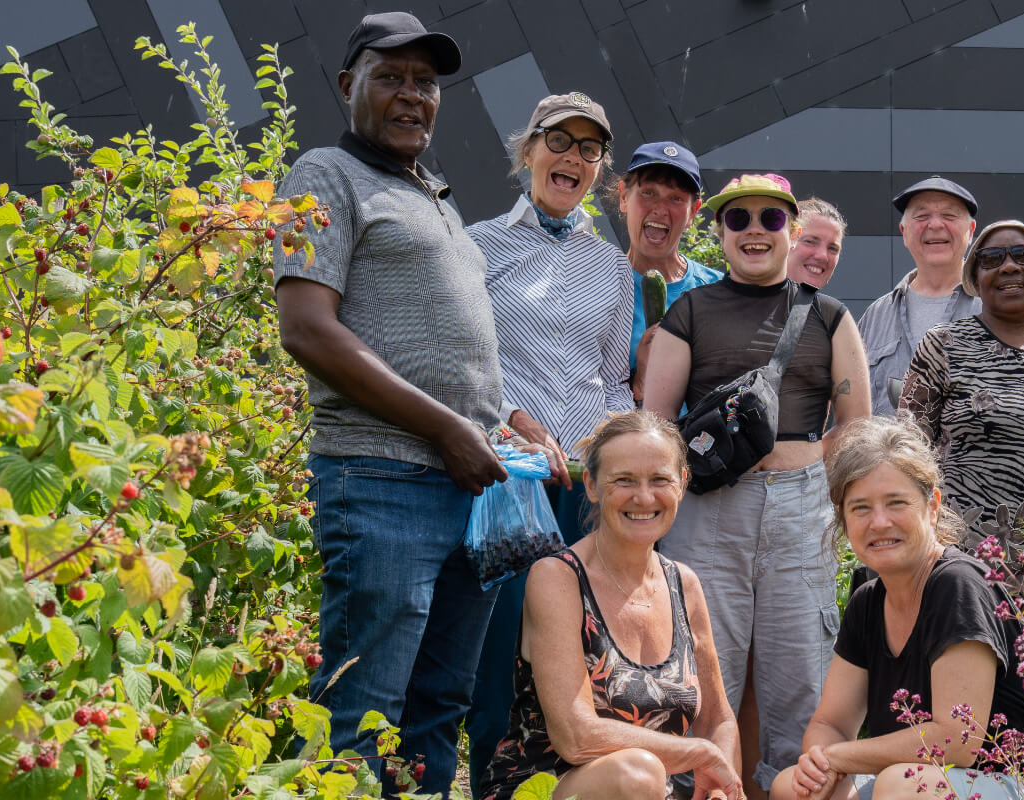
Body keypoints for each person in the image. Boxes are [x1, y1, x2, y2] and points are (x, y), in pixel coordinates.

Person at [272, 12, 499, 796]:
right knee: (363, 711)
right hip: (381, 483)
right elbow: (306, 329)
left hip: (464, 492)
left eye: (426, 82)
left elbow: (452, 353)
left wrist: (506, 425)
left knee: (439, 708)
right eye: (391, 77)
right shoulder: (323, 175)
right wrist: (446, 427)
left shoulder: (434, 196)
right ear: (348, 86)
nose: (413, 95)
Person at [641, 173, 872, 794]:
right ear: (720, 231)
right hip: (707, 511)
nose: (754, 231)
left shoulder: (828, 315)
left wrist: (806, 483)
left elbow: (856, 429)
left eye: (771, 220)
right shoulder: (688, 311)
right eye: (738, 219)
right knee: (699, 678)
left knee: (802, 677)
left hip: (802, 511)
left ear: (790, 232)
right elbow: (657, 428)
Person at [771, 417, 1024, 800]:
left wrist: (841, 756)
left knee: (903, 786)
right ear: (843, 519)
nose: (879, 522)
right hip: (956, 787)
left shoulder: (957, 584)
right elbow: (831, 723)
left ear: (933, 507)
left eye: (896, 503)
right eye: (860, 508)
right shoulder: (867, 603)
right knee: (791, 788)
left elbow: (956, 741)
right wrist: (823, 763)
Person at [464, 91, 634, 792]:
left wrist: (612, 439)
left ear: (598, 170)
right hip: (513, 483)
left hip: (585, 493)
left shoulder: (613, 266)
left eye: (588, 149)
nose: (572, 157)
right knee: (502, 649)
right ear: (527, 151)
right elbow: (462, 360)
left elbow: (615, 379)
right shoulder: (476, 246)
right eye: (558, 141)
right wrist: (513, 416)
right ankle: (489, 784)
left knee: (587, 654)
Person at [477, 411, 744, 800]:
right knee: (637, 774)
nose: (644, 497)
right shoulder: (557, 577)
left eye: (660, 480)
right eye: (624, 480)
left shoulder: (684, 584)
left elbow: (717, 719)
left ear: (682, 484)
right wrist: (700, 755)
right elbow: (576, 737)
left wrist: (722, 782)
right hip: (542, 787)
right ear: (591, 485)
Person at [900, 220, 1024, 572]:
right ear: (976, 279)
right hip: (966, 572)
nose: (1010, 266)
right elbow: (906, 463)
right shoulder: (944, 345)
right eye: (992, 258)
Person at [856, 177, 980, 415]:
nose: (935, 225)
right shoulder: (875, 316)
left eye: (949, 215)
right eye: (922, 216)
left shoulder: (994, 310)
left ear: (971, 231)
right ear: (904, 232)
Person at [617, 141, 722, 404]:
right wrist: (640, 377)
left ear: (692, 212)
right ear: (623, 197)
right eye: (649, 192)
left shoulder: (720, 292)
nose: (660, 209)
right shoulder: (595, 286)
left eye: (676, 198)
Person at [787, 197, 846, 289]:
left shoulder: (831, 304)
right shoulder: (757, 302)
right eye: (809, 242)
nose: (822, 256)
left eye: (832, 248)